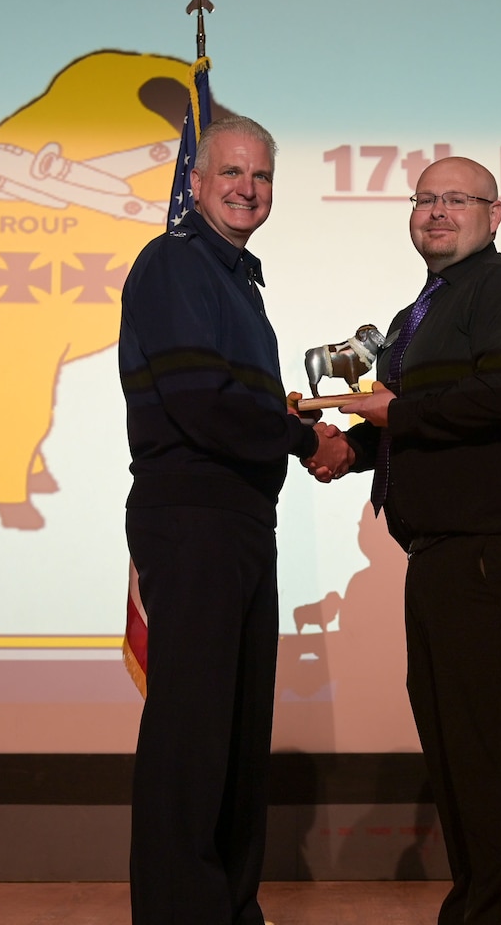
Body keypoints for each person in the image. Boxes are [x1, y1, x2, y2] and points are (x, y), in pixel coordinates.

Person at [310, 156, 501, 924]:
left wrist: (391, 416)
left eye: (458, 200)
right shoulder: (426, 308)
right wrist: (354, 447)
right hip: (447, 557)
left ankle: (500, 914)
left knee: (484, 752)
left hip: (489, 552)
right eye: (426, 199)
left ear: (495, 213)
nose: (438, 212)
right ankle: (480, 907)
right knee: (457, 751)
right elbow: (415, 414)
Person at [118, 115, 350, 925]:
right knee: (194, 738)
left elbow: (230, 401)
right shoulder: (175, 264)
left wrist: (289, 430)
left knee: (237, 737)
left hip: (241, 521)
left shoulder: (234, 279)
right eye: (231, 174)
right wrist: (300, 437)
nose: (248, 189)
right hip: (195, 519)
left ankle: (227, 909)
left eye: (261, 177)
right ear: (194, 181)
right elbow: (199, 401)